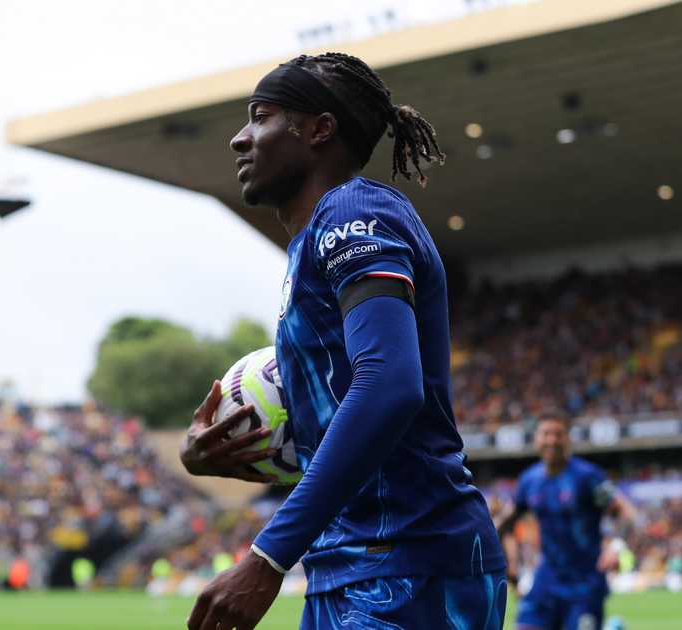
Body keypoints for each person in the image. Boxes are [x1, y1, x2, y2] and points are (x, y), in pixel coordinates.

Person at [180, 52, 506, 630]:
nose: (239, 139)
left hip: (409, 565)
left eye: (261, 116)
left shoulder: (356, 213)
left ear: (318, 129)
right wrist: (223, 453)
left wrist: (267, 556)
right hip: (352, 565)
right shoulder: (313, 244)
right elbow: (351, 413)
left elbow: (388, 385)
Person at [495, 413, 637, 630]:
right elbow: (503, 525)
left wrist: (616, 545)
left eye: (558, 434)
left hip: (585, 584)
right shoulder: (529, 481)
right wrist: (508, 565)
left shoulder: (587, 477)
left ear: (568, 439)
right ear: (536, 439)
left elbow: (625, 511)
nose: (552, 440)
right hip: (546, 581)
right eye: (546, 434)